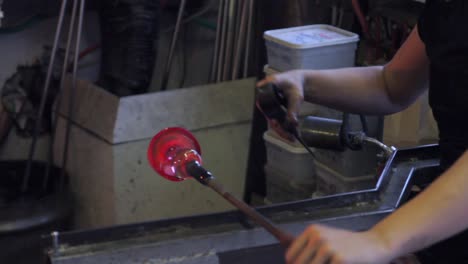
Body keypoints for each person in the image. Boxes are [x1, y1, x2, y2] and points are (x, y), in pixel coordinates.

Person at [257, 0, 468, 263]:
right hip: (446, 231)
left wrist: (380, 241)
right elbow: (389, 86)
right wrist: (303, 82)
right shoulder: (449, 9)